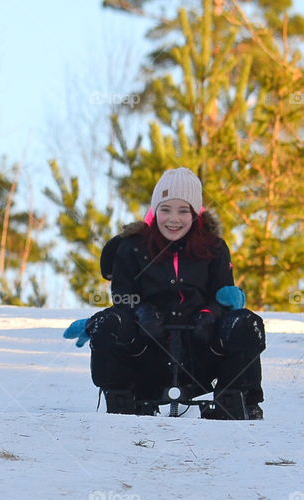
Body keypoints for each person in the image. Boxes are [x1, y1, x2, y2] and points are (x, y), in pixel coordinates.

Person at [68, 167, 265, 419]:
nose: (174, 219)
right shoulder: (132, 247)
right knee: (108, 322)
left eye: (183, 210)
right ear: (154, 211)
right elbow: (122, 296)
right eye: (166, 209)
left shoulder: (213, 247)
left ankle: (238, 399)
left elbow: (223, 295)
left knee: (246, 322)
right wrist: (141, 312)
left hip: (200, 350)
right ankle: (120, 398)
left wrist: (208, 314)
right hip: (148, 350)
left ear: (195, 213)